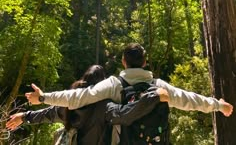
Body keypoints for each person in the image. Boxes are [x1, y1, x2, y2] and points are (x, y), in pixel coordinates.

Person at [24, 43, 233, 143]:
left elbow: (77, 98)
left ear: (123, 62)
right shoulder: (158, 85)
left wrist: (43, 97)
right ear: (145, 62)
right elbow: (190, 99)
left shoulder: (114, 84)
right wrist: (218, 105)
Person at [7, 64, 168, 145]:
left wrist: (24, 116)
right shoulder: (105, 106)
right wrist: (153, 97)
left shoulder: (69, 106)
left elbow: (48, 114)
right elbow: (125, 115)